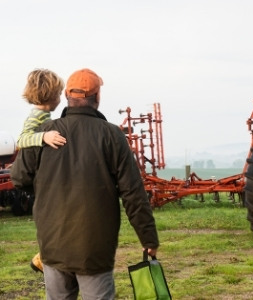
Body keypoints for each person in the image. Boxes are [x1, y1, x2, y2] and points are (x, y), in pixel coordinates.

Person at [11, 68, 159, 299]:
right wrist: (148, 238)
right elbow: (133, 194)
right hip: (95, 250)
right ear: (97, 97)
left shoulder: (44, 133)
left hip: (52, 244)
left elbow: (19, 178)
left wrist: (47, 188)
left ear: (67, 97)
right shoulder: (113, 136)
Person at [16, 68, 66, 273]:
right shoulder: (37, 116)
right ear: (52, 95)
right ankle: (42, 258)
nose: (61, 98)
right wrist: (43, 137)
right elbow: (21, 139)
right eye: (60, 93)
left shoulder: (44, 115)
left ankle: (43, 257)